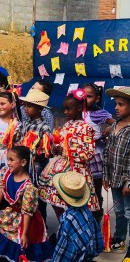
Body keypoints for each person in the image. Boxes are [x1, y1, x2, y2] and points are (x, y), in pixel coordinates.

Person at [0, 146, 53, 262]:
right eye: (7, 159)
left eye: (11, 160)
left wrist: (25, 233)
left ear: (23, 162)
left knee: (21, 240)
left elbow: (27, 212)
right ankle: (3, 253)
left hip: (26, 218)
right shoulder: (7, 174)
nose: (8, 163)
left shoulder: (28, 187)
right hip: (13, 212)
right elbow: (1, 191)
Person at [39, 89, 100, 221]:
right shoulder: (67, 124)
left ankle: (75, 228)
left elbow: (88, 153)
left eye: (69, 109)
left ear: (79, 108)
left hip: (77, 171)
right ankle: (64, 224)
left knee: (75, 203)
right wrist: (56, 149)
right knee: (58, 200)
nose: (65, 112)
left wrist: (67, 152)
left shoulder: (86, 128)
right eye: (64, 109)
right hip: (61, 168)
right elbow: (63, 144)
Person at [103, 87, 130, 260]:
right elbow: (107, 151)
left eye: (121, 104)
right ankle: (120, 239)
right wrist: (105, 175)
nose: (117, 108)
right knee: (119, 211)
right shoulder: (114, 126)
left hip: (127, 180)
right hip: (114, 178)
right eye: (116, 104)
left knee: (128, 211)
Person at [51, 171, 104, 262]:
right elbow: (98, 244)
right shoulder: (86, 211)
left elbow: (61, 257)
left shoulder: (68, 220)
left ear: (61, 196)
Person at [18, 89, 52, 224]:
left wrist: (31, 151)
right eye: (25, 105)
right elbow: (20, 138)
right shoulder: (26, 124)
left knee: (37, 195)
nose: (26, 109)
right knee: (26, 194)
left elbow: (47, 150)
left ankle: (41, 224)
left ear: (40, 109)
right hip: (25, 164)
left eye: (30, 106)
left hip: (38, 166)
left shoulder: (44, 127)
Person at [83, 83, 115, 224]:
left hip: (94, 155)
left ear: (96, 99)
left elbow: (116, 123)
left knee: (95, 188)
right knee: (81, 187)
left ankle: (97, 215)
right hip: (80, 155)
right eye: (83, 96)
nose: (85, 99)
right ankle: (84, 214)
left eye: (89, 96)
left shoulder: (98, 113)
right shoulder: (78, 111)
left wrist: (108, 130)